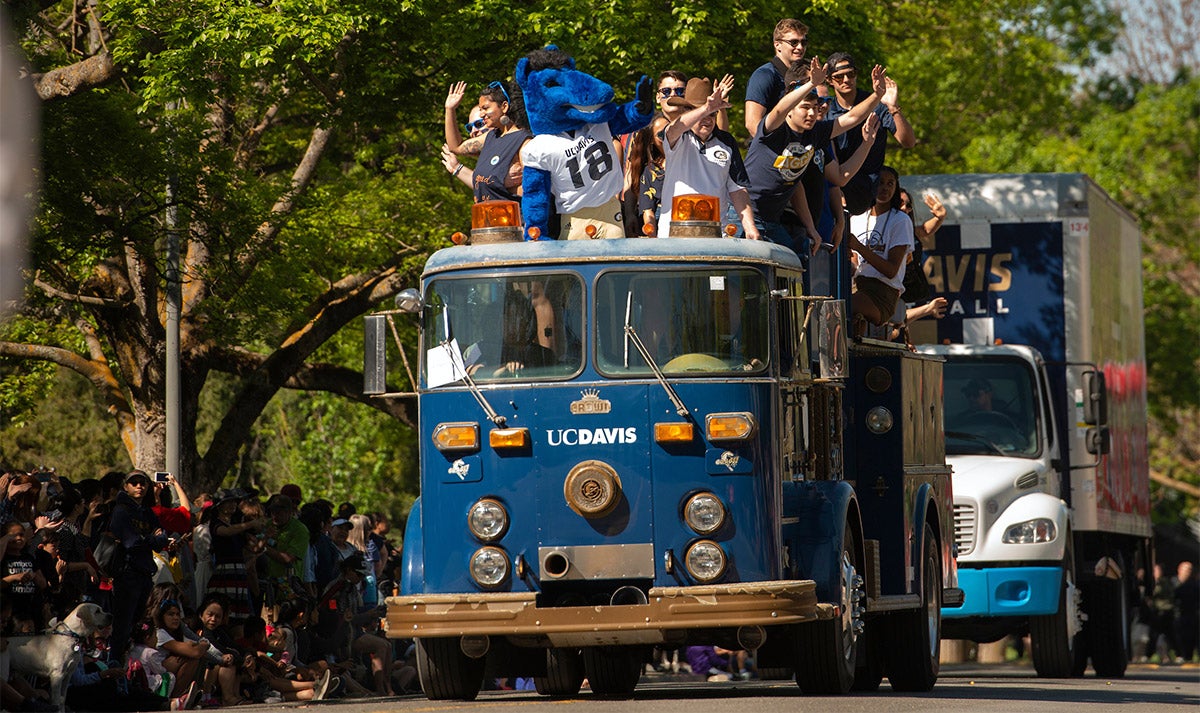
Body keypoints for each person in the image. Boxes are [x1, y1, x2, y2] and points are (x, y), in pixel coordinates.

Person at [745, 59, 888, 255]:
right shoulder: (774, 127)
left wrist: (877, 95)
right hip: (744, 215)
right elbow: (779, 109)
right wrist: (811, 83)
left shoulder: (815, 133)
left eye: (816, 106)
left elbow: (852, 118)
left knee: (796, 267)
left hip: (772, 221)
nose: (812, 113)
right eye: (805, 107)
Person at [658, 76, 758, 240]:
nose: (707, 119)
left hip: (716, 236)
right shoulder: (678, 136)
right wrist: (706, 108)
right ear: (686, 112)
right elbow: (674, 129)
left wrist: (750, 227)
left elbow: (737, 188)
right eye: (702, 113)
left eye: (713, 114)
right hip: (674, 236)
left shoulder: (726, 142)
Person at [825, 52, 916, 215]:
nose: (846, 80)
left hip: (870, 199)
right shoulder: (826, 111)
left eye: (850, 74)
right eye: (839, 77)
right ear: (829, 80)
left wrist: (893, 108)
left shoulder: (877, 104)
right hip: (837, 196)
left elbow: (908, 142)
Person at [109, 470, 171, 661]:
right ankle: (114, 665)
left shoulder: (146, 512)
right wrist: (153, 539)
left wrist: (151, 539)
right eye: (134, 483)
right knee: (123, 625)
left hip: (144, 573)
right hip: (127, 573)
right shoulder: (121, 510)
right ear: (126, 486)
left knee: (138, 624)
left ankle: (130, 669)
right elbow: (131, 542)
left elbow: (162, 539)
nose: (139, 486)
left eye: (142, 483)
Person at [848, 165, 914, 332]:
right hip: (858, 286)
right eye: (880, 182)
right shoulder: (856, 218)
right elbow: (855, 265)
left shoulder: (900, 220)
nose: (885, 188)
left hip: (883, 293)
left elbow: (891, 270)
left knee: (844, 305)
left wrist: (859, 247)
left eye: (890, 183)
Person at [442, 80, 531, 203]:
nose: (482, 114)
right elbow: (456, 147)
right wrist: (450, 109)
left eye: (485, 108)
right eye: (480, 109)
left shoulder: (524, 141)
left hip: (514, 220)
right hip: (487, 219)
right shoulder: (490, 137)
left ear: (504, 107)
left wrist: (497, 182)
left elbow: (532, 190)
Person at [744, 18, 809, 137]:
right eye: (793, 42)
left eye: (803, 42)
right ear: (777, 45)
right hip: (772, 153)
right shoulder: (764, 75)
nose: (800, 47)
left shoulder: (805, 75)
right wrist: (779, 152)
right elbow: (752, 124)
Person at [1173, 560, 1197, 663]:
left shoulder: (1195, 585)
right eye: (1186, 569)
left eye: (1190, 570)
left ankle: (1188, 656)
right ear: (1179, 570)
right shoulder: (1172, 583)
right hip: (1176, 615)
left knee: (1190, 637)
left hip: (1191, 615)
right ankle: (1178, 654)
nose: (1188, 572)